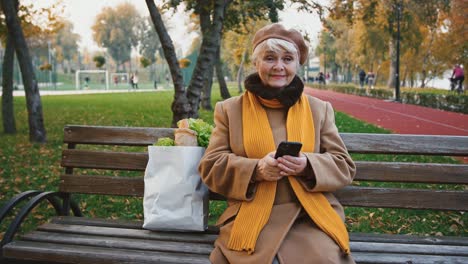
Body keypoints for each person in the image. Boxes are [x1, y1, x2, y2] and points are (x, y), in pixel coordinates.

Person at [199, 23, 356, 264]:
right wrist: (256, 170)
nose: (279, 67)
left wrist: (307, 165)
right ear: (256, 63)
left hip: (309, 216)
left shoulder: (319, 109)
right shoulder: (230, 110)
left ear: (297, 64)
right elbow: (210, 167)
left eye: (288, 59)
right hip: (251, 216)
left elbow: (343, 165)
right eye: (270, 58)